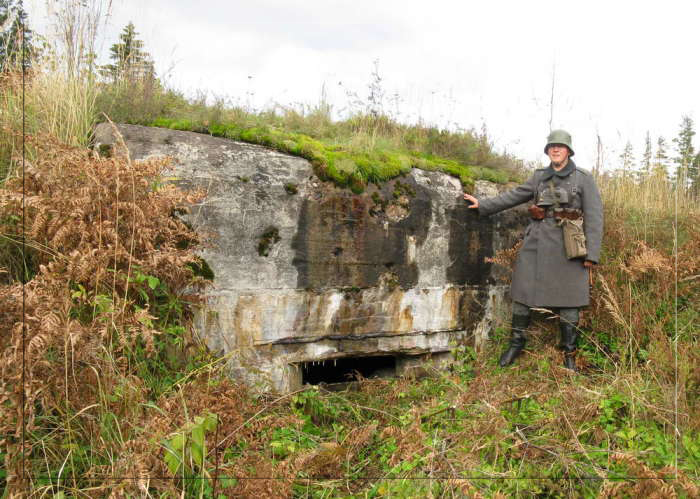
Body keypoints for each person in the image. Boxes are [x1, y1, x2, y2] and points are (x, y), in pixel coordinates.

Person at [463, 129, 603, 371]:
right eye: (551, 146)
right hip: (536, 244)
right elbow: (515, 196)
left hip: (569, 246)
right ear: (548, 151)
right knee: (523, 293)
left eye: (560, 146)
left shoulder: (583, 178)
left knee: (570, 300)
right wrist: (483, 205)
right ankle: (516, 343)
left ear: (569, 151)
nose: (555, 150)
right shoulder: (539, 177)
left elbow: (595, 217)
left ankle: (569, 353)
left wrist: (591, 255)